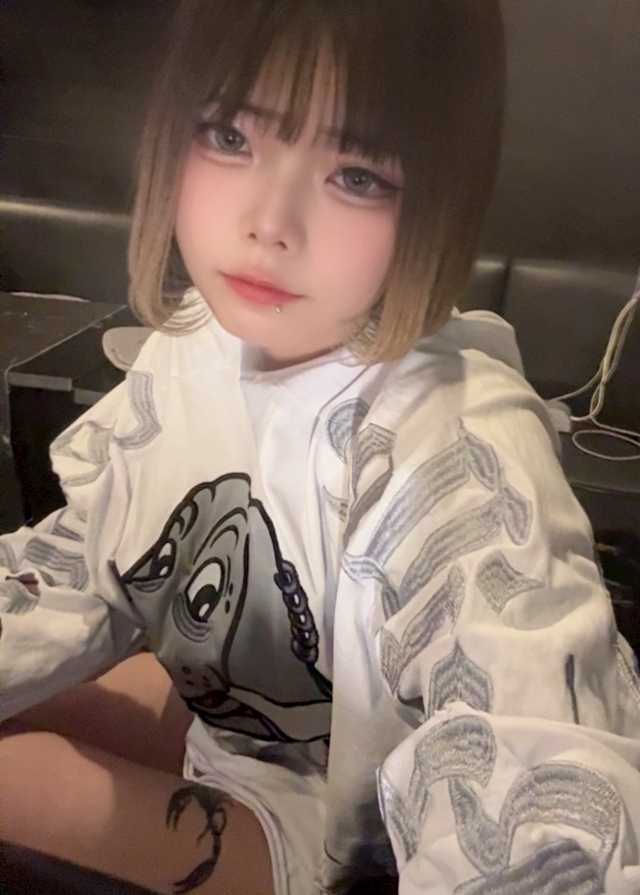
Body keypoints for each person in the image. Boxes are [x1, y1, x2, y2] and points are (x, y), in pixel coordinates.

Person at [1, 0, 640, 893]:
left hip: (341, 839)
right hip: (231, 738)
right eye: (230, 136)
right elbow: (83, 565)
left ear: (438, 201)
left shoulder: (456, 453)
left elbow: (536, 792)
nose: (271, 221)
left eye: (356, 174)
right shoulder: (190, 347)